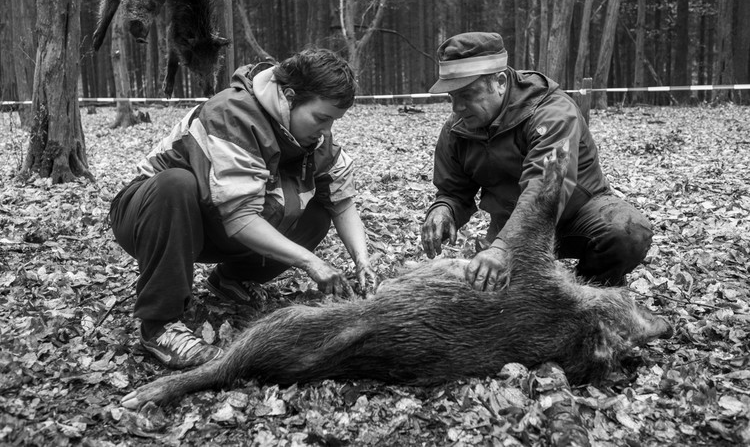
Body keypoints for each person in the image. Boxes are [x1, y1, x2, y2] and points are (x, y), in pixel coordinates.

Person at [110, 48, 377, 369]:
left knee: (317, 214)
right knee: (176, 184)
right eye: (321, 118)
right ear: (289, 97)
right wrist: (310, 262)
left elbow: (342, 200)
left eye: (333, 121)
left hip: (214, 223)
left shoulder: (316, 140)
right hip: (148, 214)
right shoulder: (233, 115)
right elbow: (239, 217)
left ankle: (230, 280)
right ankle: (159, 323)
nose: (325, 129)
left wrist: (361, 260)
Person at [421, 32, 652, 290]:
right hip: (511, 222)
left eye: (467, 95)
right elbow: (454, 190)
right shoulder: (457, 129)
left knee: (627, 232)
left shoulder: (551, 113)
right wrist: (444, 209)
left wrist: (503, 248)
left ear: (499, 81)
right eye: (452, 97)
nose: (457, 108)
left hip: (576, 216)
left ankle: (591, 294)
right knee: (497, 302)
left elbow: (545, 191)